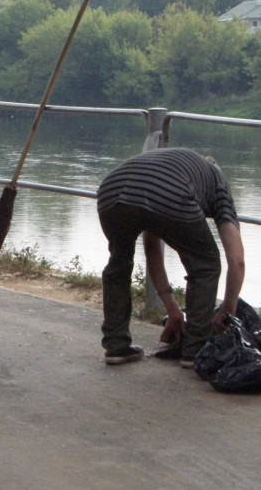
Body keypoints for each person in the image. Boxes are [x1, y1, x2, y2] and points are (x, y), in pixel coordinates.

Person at [96, 147, 245, 367]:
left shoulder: (180, 167)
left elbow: (152, 251)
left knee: (119, 265)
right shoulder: (218, 185)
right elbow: (237, 260)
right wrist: (228, 309)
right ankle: (195, 350)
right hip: (168, 191)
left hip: (111, 189)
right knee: (206, 265)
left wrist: (174, 311)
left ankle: (116, 347)